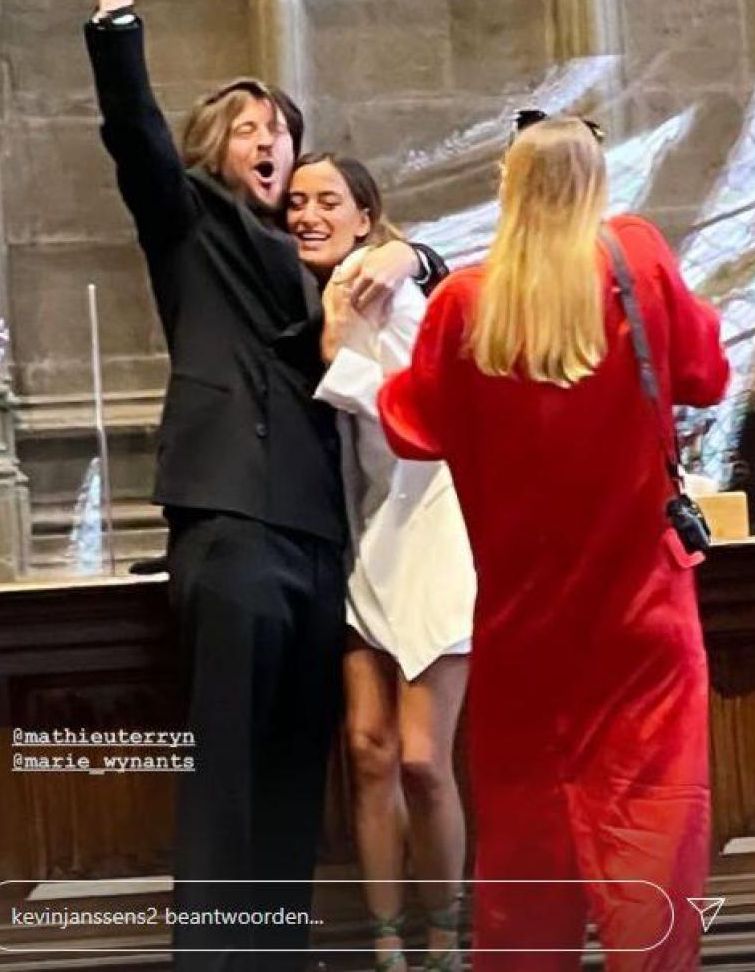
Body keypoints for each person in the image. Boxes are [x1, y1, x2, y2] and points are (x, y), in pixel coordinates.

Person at [66, 0, 446, 972]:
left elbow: (421, 263)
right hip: (231, 523)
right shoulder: (188, 223)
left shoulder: (319, 261)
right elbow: (133, 130)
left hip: (317, 539)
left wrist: (408, 252)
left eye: (280, 130)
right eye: (249, 130)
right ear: (215, 151)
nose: (270, 142)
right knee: (228, 769)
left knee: (289, 774)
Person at [377, 114, 730, 972]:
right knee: (651, 846)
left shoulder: (466, 302)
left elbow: (409, 425)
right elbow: (707, 374)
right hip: (642, 626)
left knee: (526, 858)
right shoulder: (638, 260)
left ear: (508, 187)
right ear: (598, 183)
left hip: (524, 629)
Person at [286, 153, 476, 972]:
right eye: (296, 201)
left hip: (434, 523)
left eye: (328, 200)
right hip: (368, 532)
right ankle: (388, 943)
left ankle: (446, 936)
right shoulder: (323, 288)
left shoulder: (380, 280)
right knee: (368, 750)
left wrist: (339, 361)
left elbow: (431, 410)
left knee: (423, 759)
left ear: (365, 217)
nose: (308, 213)